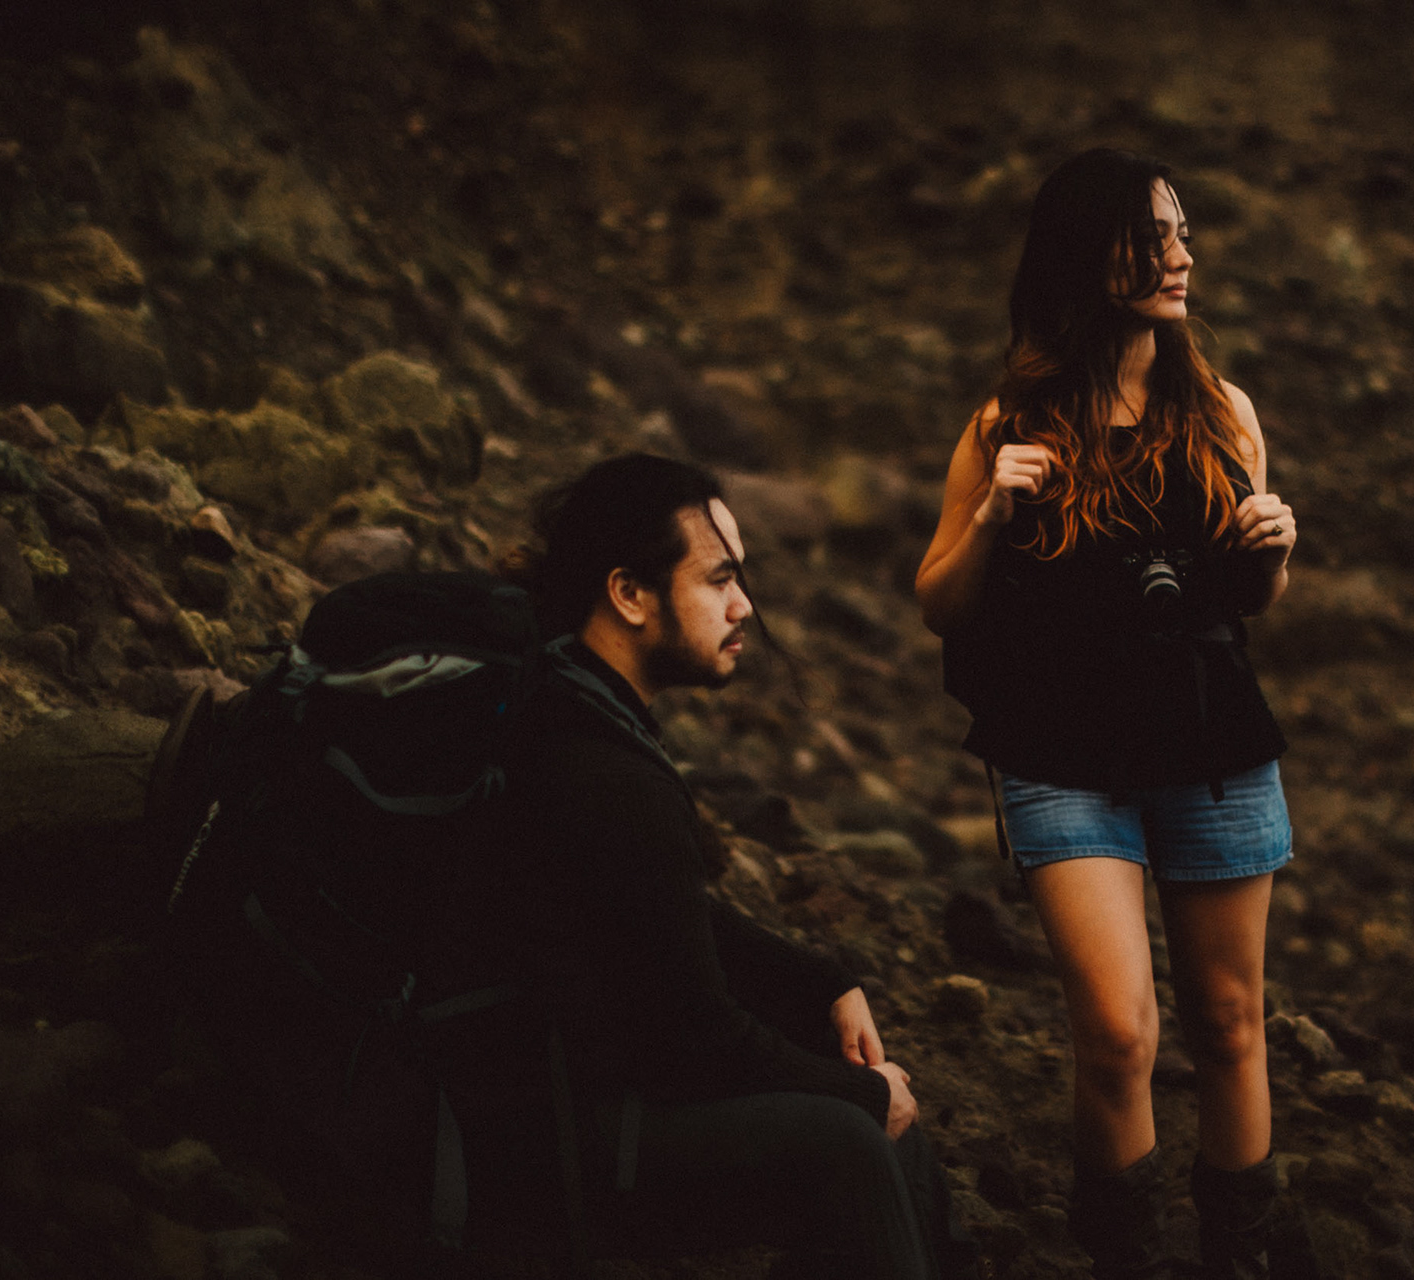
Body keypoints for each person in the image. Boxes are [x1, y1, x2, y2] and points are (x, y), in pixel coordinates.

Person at [916, 149, 1312, 1279]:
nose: (1182, 257)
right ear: (1090, 257)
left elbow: (1246, 605)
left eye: (1183, 233)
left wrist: (1271, 555)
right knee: (1119, 1032)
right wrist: (991, 515)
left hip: (1211, 742)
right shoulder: (1009, 420)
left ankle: (1237, 1255)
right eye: (1155, 236)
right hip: (1061, 753)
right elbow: (939, 601)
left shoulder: (1225, 413)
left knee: (1229, 1022)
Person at [472, 452, 975, 1278]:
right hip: (553, 1142)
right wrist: (865, 1096)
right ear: (629, 594)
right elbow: (696, 1040)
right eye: (718, 580)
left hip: (567, 1091)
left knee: (850, 1080)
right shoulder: (600, 768)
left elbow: (664, 916)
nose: (743, 605)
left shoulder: (572, 702)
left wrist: (825, 982)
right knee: (850, 1136)